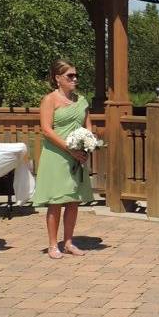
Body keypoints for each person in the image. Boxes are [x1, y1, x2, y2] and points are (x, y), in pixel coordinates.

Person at [31, 60, 94, 258]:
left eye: (76, 76)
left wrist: (86, 144)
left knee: (73, 200)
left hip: (77, 156)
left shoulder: (81, 100)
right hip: (57, 155)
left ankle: (68, 242)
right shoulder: (50, 100)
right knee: (56, 201)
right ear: (58, 78)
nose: (74, 79)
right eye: (70, 76)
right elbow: (47, 130)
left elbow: (88, 125)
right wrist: (69, 148)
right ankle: (52, 245)